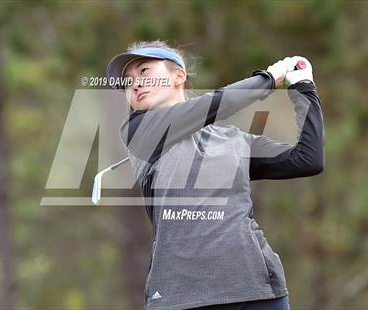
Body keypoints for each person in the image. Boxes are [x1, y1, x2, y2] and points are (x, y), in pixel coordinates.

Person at [105, 40, 325, 310]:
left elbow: (306, 160)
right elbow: (214, 105)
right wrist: (266, 80)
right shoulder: (137, 131)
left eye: (144, 71)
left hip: (257, 293)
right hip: (180, 299)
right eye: (128, 81)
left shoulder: (233, 140)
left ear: (179, 76)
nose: (135, 83)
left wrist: (304, 88)